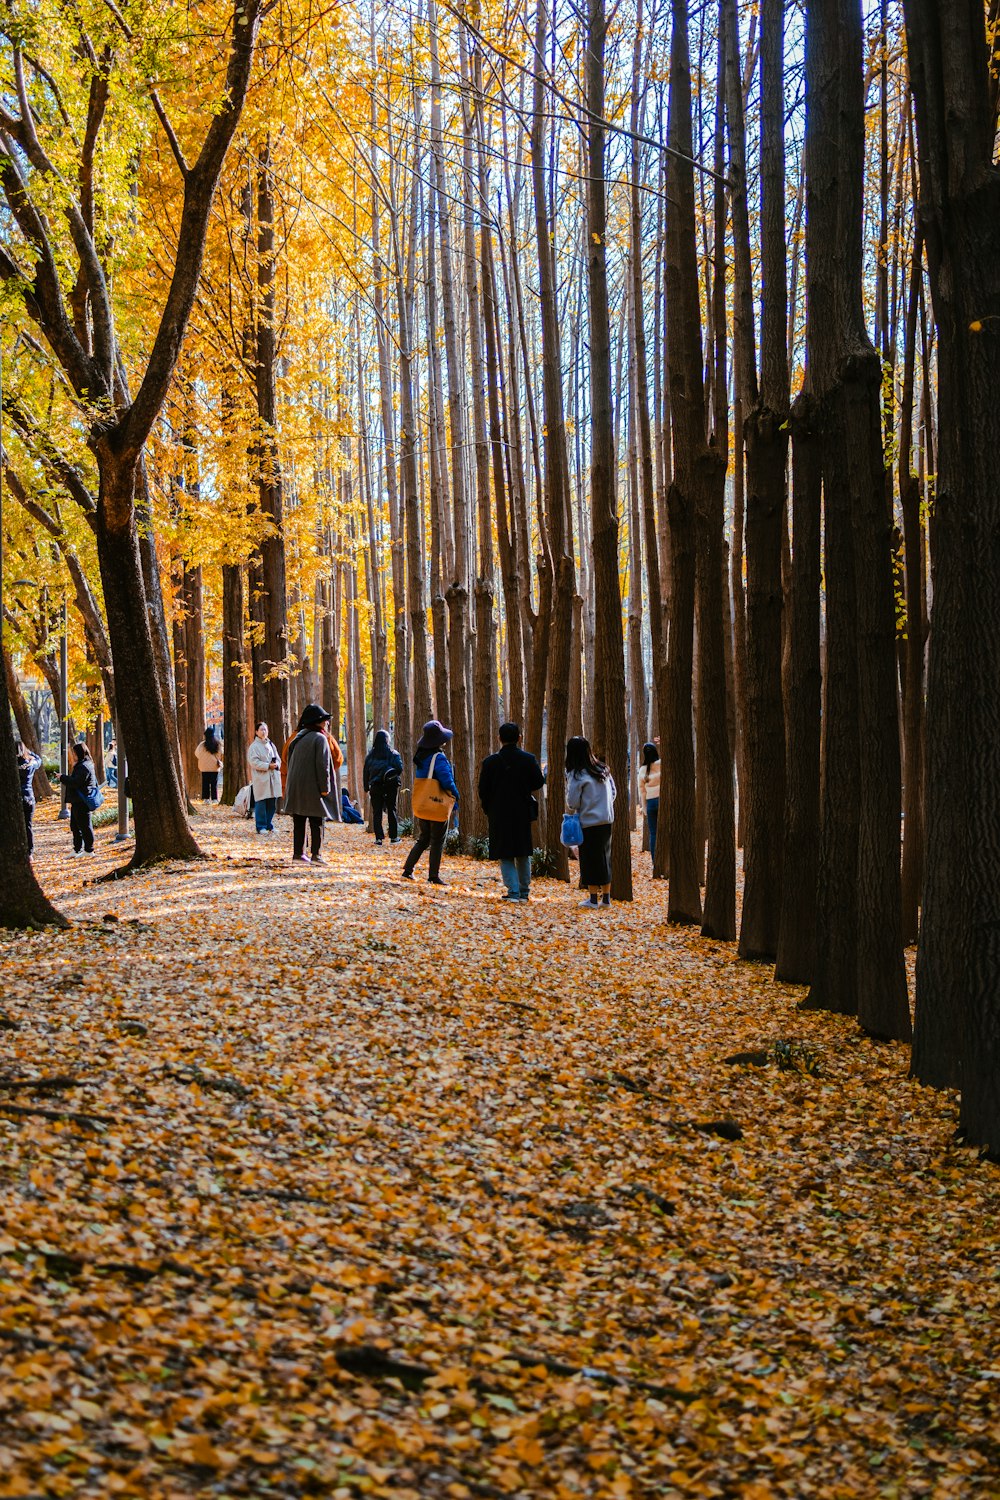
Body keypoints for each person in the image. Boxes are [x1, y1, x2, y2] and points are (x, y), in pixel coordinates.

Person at [478, 722, 545, 902]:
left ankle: (513, 892)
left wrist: (488, 807)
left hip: (498, 812)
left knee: (505, 852)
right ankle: (524, 892)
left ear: (499, 738)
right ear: (519, 738)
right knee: (523, 851)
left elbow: (482, 790)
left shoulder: (490, 762)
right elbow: (539, 782)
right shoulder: (528, 759)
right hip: (522, 811)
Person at [402, 719, 459, 885]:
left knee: (424, 838)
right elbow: (447, 780)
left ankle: (408, 869)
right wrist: (456, 795)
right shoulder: (438, 758)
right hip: (437, 804)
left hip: (424, 803)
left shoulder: (421, 757)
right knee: (437, 840)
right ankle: (433, 875)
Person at [565, 736, 616, 908]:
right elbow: (614, 792)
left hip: (588, 822)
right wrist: (602, 804)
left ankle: (593, 899)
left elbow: (572, 802)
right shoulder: (603, 770)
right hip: (606, 820)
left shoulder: (577, 774)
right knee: (604, 858)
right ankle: (606, 899)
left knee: (589, 860)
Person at [283, 703, 333, 864]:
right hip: (312, 787)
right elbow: (323, 766)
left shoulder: (297, 738)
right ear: (317, 721)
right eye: (324, 720)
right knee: (317, 820)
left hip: (295, 786)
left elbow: (289, 762)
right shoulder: (320, 739)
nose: (326, 723)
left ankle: (298, 854)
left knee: (299, 819)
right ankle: (316, 855)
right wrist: (325, 788)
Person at [363, 729, 403, 845]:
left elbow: (366, 772)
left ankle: (379, 838)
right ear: (387, 740)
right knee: (392, 810)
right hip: (390, 786)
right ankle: (394, 837)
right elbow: (399, 768)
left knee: (377, 812)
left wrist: (366, 787)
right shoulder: (393, 753)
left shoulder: (370, 755)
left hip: (375, 787)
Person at [60, 741, 98, 856]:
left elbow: (76, 782)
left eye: (74, 752)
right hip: (77, 800)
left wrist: (62, 777)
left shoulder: (84, 766)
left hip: (82, 800)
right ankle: (77, 849)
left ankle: (89, 849)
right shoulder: (84, 764)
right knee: (75, 826)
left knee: (84, 826)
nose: (73, 755)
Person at [247, 722, 282, 834]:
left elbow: (277, 758)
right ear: (257, 732)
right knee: (261, 802)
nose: (264, 732)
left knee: (272, 802)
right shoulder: (254, 746)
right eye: (261, 729)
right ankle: (260, 826)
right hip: (261, 778)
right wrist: (267, 766)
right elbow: (254, 762)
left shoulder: (271, 744)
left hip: (273, 777)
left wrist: (276, 764)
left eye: (265, 729)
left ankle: (269, 824)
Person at [15, 740, 42, 857]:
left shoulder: (10, 765)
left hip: (15, 797)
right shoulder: (30, 763)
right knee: (28, 825)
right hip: (28, 796)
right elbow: (39, 760)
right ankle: (29, 852)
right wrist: (28, 752)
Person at [638, 741, 661, 864]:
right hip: (662, 801)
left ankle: (655, 862)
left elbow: (642, 791)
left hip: (651, 803)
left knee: (653, 834)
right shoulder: (662, 764)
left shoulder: (642, 769)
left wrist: (645, 807)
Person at [196, 728, 223, 801]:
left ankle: (206, 798)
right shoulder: (217, 744)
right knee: (214, 784)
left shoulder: (202, 745)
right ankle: (214, 799)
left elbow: (197, 753)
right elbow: (220, 754)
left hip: (204, 767)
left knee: (205, 783)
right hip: (214, 767)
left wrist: (203, 759)